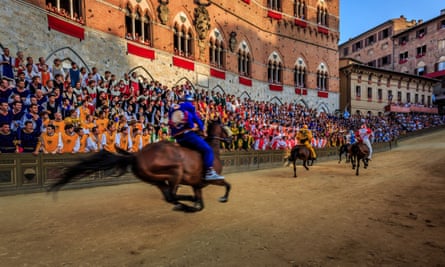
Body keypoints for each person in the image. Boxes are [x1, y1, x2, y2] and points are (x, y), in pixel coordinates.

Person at [168, 94, 224, 180]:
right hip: (188, 135)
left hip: (178, 138)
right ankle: (209, 172)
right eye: (191, 102)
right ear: (189, 101)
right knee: (207, 149)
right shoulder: (189, 107)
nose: (192, 104)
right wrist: (202, 128)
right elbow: (196, 120)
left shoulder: (171, 109)